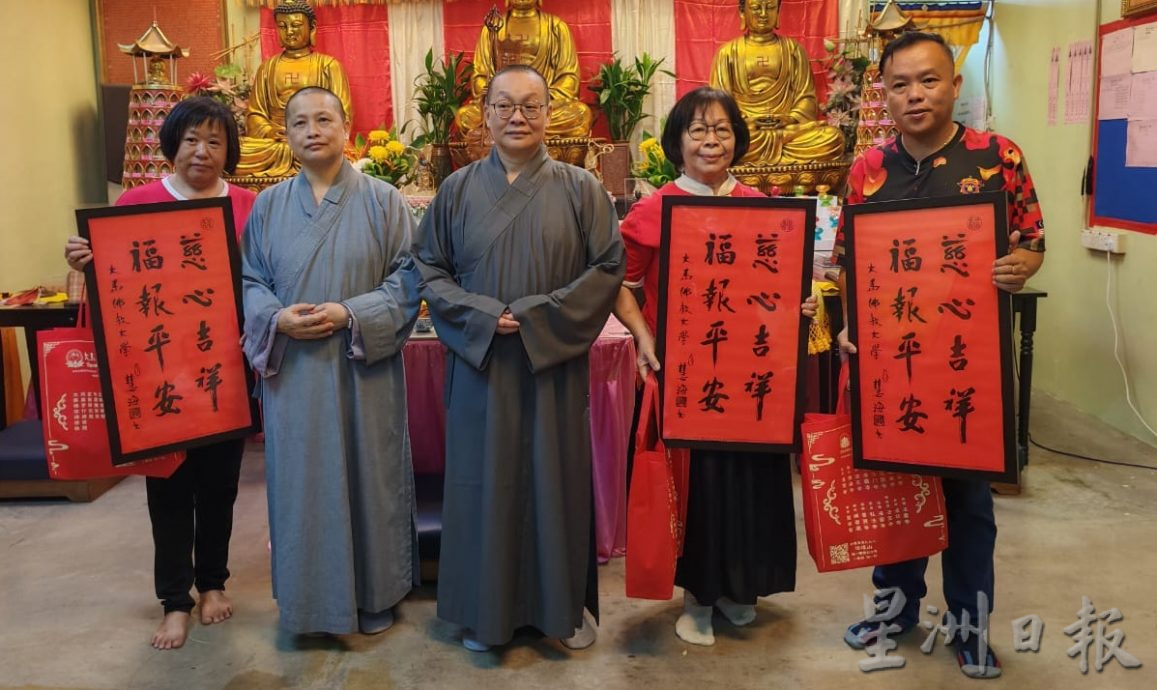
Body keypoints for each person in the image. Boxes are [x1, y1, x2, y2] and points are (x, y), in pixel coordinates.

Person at [834, 31, 1045, 680]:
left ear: (955, 85)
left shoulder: (996, 156)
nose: (914, 95)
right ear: (884, 95)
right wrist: (847, 326)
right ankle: (893, 611)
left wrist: (1018, 265)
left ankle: (969, 626)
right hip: (893, 365)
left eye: (927, 80)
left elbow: (1033, 241)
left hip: (965, 367)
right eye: (899, 85)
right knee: (896, 496)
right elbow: (849, 259)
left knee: (967, 506)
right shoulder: (868, 169)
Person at [414, 65, 623, 652]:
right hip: (481, 365)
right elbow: (428, 267)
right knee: (483, 485)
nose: (517, 117)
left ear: (550, 115)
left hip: (549, 363)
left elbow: (608, 267)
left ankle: (558, 611)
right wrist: (479, 315)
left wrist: (537, 317)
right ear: (485, 115)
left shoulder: (581, 188)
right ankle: (486, 615)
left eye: (531, 106)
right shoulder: (456, 191)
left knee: (552, 483)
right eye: (504, 106)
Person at [613, 86, 816, 646]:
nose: (711, 140)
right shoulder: (653, 210)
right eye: (698, 130)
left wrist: (798, 301)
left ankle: (739, 588)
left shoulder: (760, 204)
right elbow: (621, 286)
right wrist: (644, 338)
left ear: (738, 140)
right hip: (684, 376)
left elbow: (776, 287)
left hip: (750, 374)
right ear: (677, 141)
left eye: (722, 130)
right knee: (698, 487)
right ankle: (698, 597)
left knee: (748, 482)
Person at [64, 96, 255, 651]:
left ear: (230, 151)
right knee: (167, 486)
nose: (202, 151)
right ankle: (175, 600)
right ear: (171, 143)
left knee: (220, 486)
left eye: (215, 141)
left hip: (224, 370)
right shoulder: (138, 201)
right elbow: (116, 288)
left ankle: (213, 583)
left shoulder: (250, 205)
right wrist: (85, 260)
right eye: (192, 139)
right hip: (157, 377)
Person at [240, 86, 421, 635]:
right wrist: (276, 319)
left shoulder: (385, 199)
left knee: (371, 476)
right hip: (295, 371)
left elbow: (409, 278)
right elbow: (250, 280)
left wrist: (352, 312)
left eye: (324, 119)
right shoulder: (268, 204)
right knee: (303, 484)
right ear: (286, 135)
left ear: (347, 127)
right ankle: (309, 604)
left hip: (361, 364)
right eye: (300, 122)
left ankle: (375, 594)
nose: (313, 130)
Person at [708, 0, 844, 165]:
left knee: (832, 137)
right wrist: (745, 121)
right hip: (747, 132)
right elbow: (719, 104)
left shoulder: (793, 49)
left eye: (770, 7)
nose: (764, 14)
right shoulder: (727, 53)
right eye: (756, 8)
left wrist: (790, 119)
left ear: (778, 11)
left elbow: (807, 98)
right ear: (742, 12)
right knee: (725, 142)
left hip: (787, 130)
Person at [236, 0, 353, 177]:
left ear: (312, 27)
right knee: (238, 152)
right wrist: (270, 131)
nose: (289, 31)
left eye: (296, 25)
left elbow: (342, 112)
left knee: (342, 153)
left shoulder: (328, 65)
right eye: (282, 26)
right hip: (277, 143)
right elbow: (254, 114)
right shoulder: (267, 68)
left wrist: (313, 131)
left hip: (316, 138)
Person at [454, 0, 593, 140]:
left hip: (539, 105)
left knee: (581, 114)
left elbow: (569, 78)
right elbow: (481, 76)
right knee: (465, 117)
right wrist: (498, 95)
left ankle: (511, 136)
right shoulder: (492, 29)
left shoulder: (556, 27)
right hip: (503, 106)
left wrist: (538, 96)